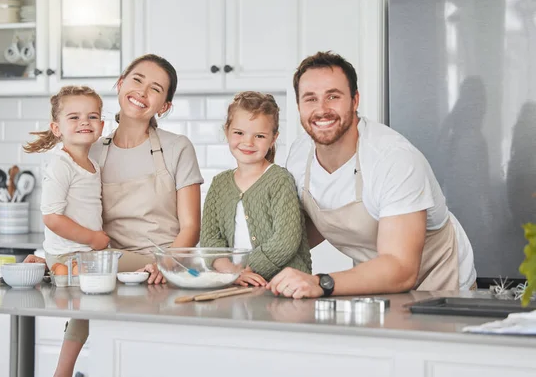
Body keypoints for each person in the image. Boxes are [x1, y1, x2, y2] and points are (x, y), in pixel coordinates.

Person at [267, 51, 476, 299]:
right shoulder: (300, 155)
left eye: (333, 96)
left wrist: (319, 283)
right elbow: (310, 227)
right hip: (375, 284)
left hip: (440, 286)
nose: (322, 110)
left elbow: (401, 268)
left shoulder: (393, 159)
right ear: (299, 106)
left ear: (355, 101)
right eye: (310, 99)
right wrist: (253, 262)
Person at [52, 54, 203, 377]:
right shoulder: (92, 150)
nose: (142, 91)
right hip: (109, 267)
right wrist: (46, 255)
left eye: (156, 88)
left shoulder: (177, 148)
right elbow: (73, 217)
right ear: (120, 84)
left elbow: (191, 226)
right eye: (136, 80)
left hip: (166, 267)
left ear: (164, 106)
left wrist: (167, 264)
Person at [201, 91, 311, 286]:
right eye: (239, 133)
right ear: (227, 131)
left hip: (285, 286)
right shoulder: (219, 184)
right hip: (236, 284)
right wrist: (231, 272)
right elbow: (210, 240)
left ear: (273, 138)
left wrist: (245, 269)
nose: (248, 142)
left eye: (259, 135)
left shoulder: (279, 180)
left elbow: (286, 240)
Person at [23, 85, 109, 275]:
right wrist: (93, 238)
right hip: (67, 254)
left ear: (101, 126)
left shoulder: (93, 164)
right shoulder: (61, 165)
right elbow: (52, 218)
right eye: (74, 117)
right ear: (56, 128)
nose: (85, 122)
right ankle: (55, 268)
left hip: (85, 252)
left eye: (92, 117)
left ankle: (51, 268)